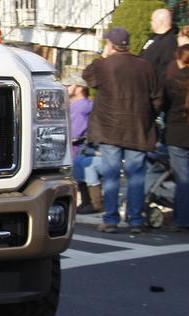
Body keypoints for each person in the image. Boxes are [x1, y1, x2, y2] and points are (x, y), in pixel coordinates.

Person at [83, 27, 163, 234]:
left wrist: (102, 56)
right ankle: (135, 220)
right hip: (138, 129)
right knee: (136, 176)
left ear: (110, 44)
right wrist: (148, 117)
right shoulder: (144, 66)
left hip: (110, 129)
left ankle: (111, 220)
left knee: (111, 175)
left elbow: (88, 77)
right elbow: (157, 97)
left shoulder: (104, 65)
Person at [65, 74, 102, 214]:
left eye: (69, 85)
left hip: (79, 149)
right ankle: (88, 202)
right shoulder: (80, 106)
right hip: (79, 149)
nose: (66, 88)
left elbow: (74, 134)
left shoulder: (81, 107)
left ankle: (90, 203)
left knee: (81, 171)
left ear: (80, 88)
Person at [162, 45, 189, 232]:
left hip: (177, 133)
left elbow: (164, 106)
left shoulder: (173, 82)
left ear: (179, 59)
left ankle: (182, 218)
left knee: (183, 179)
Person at [141, 8, 177, 84]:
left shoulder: (169, 42)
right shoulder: (152, 38)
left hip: (157, 88)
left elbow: (167, 69)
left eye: (152, 20)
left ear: (160, 22)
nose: (151, 22)